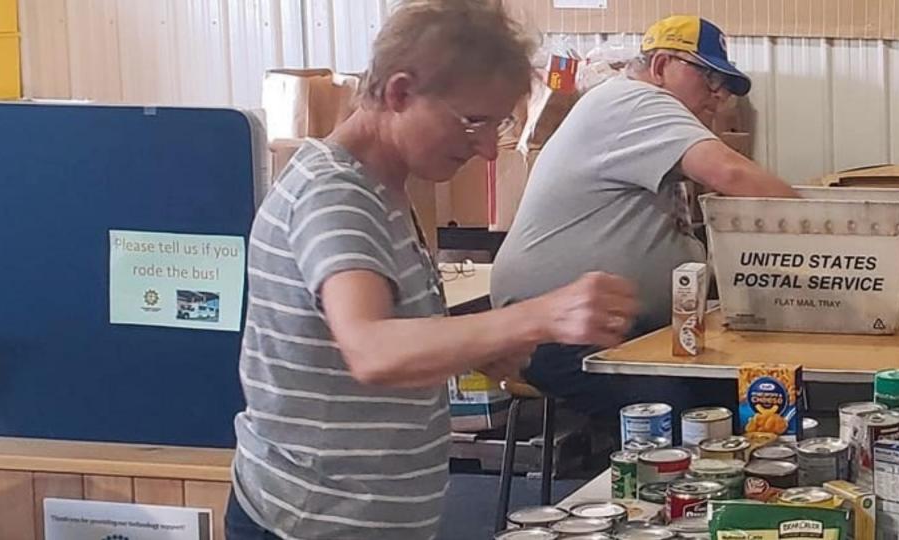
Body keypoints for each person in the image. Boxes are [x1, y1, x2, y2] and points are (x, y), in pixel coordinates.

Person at [227, 1, 639, 538]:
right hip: (310, 524)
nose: (488, 149)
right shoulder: (335, 195)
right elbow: (372, 350)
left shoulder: (385, 188)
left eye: (499, 124)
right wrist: (538, 316)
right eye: (474, 122)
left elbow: (376, 343)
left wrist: (477, 347)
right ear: (400, 93)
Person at [491, 15, 799, 427]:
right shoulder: (636, 100)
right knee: (677, 410)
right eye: (710, 78)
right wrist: (827, 230)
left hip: (613, 326)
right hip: (559, 331)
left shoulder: (641, 116)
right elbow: (733, 175)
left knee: (746, 390)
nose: (719, 96)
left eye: (725, 86)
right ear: (661, 66)